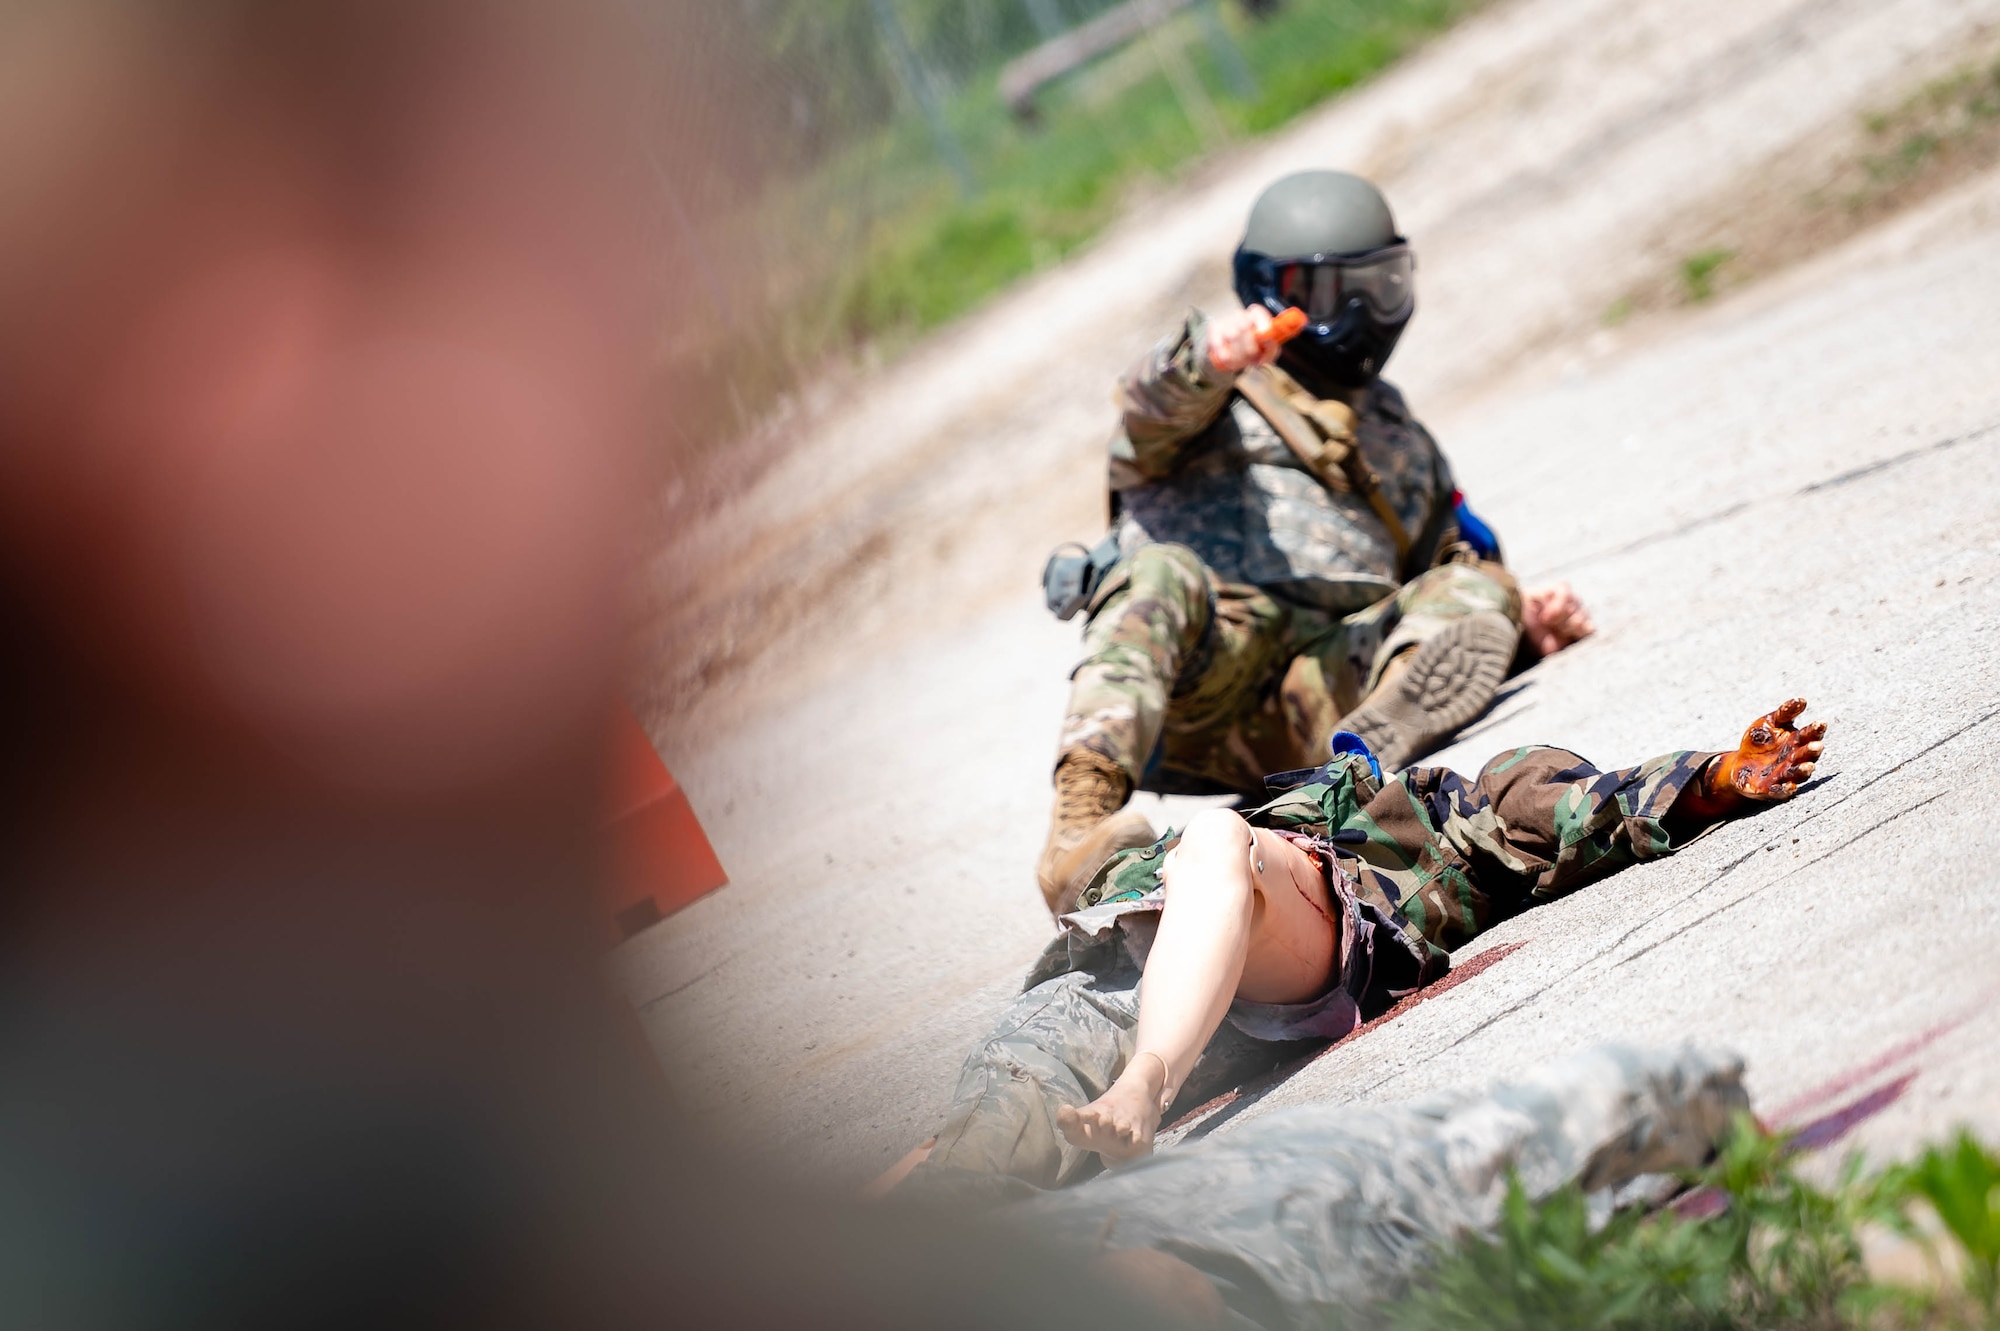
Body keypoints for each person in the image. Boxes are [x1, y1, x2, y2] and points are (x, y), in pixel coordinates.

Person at [905, 699, 1823, 1195]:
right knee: (974, 1164)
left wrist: (1708, 781)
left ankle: (1147, 1080)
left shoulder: (1452, 808)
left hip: (1300, 913)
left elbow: (1582, 806)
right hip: (1111, 956)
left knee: (1219, 840)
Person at [1038, 169, 1594, 913]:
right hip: (1197, 688)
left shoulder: (1395, 431)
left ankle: (1364, 752)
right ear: (1273, 291)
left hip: (1314, 690)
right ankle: (1077, 834)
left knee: (1488, 583)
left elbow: (1442, 563)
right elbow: (1145, 410)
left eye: (1383, 284)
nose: (1363, 312)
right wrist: (1208, 358)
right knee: (1156, 573)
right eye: (1336, 293)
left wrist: (1520, 619)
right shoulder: (1212, 392)